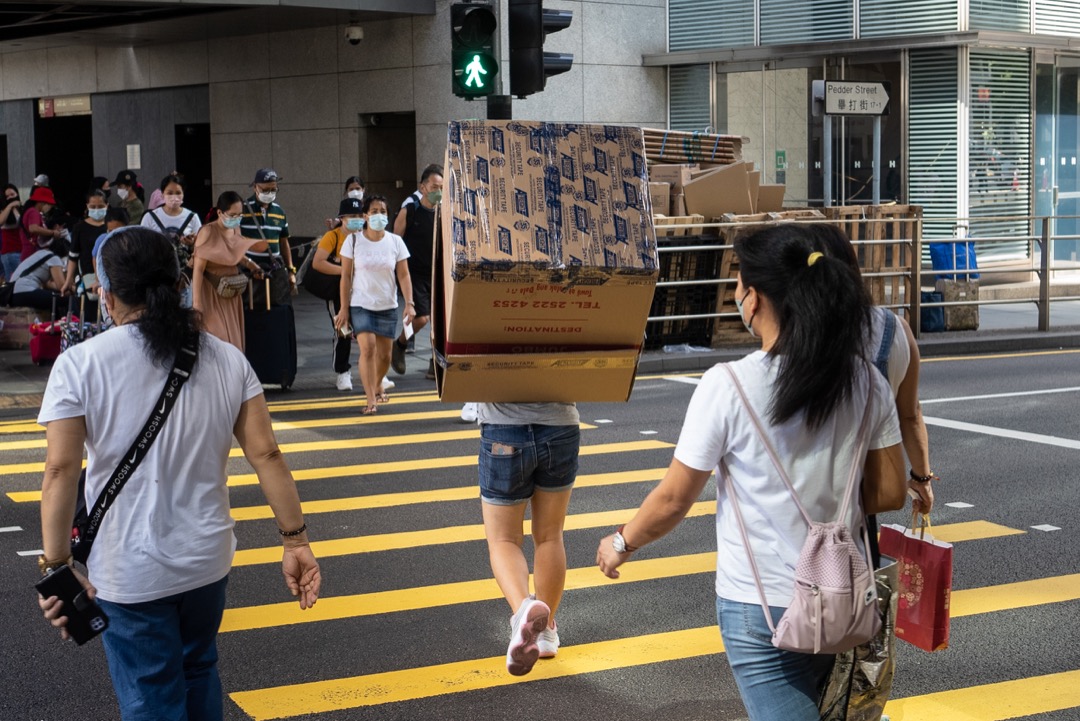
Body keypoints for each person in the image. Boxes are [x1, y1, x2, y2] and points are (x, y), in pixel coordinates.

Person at [596, 224, 907, 721]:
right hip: (840, 596)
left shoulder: (728, 385)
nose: (736, 293)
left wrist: (621, 543)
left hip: (757, 607)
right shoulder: (865, 380)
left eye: (739, 282)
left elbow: (675, 497)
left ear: (756, 297)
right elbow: (891, 490)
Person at [36, 227, 321, 721]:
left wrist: (57, 565)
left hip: (130, 570)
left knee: (152, 696)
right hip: (206, 561)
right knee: (197, 669)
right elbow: (268, 456)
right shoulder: (228, 360)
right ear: (178, 283)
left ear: (107, 295)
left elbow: (61, 470)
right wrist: (295, 542)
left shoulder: (79, 365)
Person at [813, 225, 935, 557]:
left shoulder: (797, 333)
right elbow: (910, 415)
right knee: (859, 598)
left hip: (801, 512)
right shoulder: (896, 330)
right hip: (860, 508)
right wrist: (921, 477)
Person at [476, 402, 580, 676]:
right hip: (560, 427)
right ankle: (545, 632)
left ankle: (523, 610)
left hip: (503, 428)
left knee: (503, 539)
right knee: (549, 535)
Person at [333, 194, 414, 415]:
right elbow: (346, 277)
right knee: (367, 348)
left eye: (383, 212)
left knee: (385, 356)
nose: (379, 215)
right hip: (361, 304)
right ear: (366, 215)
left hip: (387, 305)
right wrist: (343, 308)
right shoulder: (354, 241)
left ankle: (377, 383)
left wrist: (409, 303)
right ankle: (371, 399)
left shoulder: (395, 241)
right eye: (375, 211)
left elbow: (404, 275)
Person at [191, 191, 264, 351]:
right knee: (217, 337)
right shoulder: (207, 231)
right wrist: (197, 304)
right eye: (232, 214)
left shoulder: (236, 229)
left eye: (239, 214)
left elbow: (237, 253)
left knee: (233, 339)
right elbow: (198, 269)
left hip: (231, 292)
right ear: (219, 212)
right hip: (211, 292)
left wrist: (252, 265)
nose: (236, 218)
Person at [391, 164, 443, 380]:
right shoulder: (410, 211)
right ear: (423, 187)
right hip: (414, 274)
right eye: (433, 186)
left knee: (441, 322)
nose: (438, 191)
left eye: (441, 187)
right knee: (421, 319)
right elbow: (394, 242)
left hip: (438, 273)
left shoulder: (445, 213)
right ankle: (401, 344)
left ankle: (436, 363)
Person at [313, 197, 364, 391]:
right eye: (352, 216)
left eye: (360, 215)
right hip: (338, 292)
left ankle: (375, 371)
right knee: (343, 331)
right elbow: (318, 262)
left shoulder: (366, 235)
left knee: (367, 331)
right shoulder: (333, 237)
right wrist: (344, 270)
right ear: (342, 218)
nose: (357, 219)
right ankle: (342, 372)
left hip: (363, 291)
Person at [141, 174, 202, 307]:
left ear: (183, 194)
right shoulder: (150, 217)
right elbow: (142, 247)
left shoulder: (192, 217)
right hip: (158, 278)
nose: (174, 197)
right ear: (162, 194)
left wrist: (192, 245)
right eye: (169, 193)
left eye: (178, 193)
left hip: (184, 278)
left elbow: (201, 249)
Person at [241, 168, 296, 291]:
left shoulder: (279, 212)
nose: (269, 193)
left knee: (277, 306)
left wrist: (291, 270)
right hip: (249, 270)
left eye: (273, 189)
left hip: (274, 270)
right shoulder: (242, 209)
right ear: (255, 187)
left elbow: (284, 242)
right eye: (265, 190)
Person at [61, 189, 109, 316]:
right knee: (89, 315)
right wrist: (68, 281)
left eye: (100, 206)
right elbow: (73, 257)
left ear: (107, 205)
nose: (97, 209)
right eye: (93, 207)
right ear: (87, 206)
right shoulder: (80, 227)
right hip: (87, 278)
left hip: (109, 277)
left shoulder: (110, 226)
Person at [9, 239, 66, 311]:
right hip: (25, 291)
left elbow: (47, 284)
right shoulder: (54, 258)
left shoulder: (40, 253)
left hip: (14, 294)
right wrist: (76, 289)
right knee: (67, 300)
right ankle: (74, 321)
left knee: (51, 298)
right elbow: (62, 287)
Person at [20, 186, 63, 261]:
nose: (50, 207)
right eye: (49, 204)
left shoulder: (31, 211)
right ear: (42, 202)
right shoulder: (34, 212)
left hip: (30, 253)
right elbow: (33, 228)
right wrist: (53, 232)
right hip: (32, 254)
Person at [0, 184, 22, 280]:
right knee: (13, 281)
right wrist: (9, 206)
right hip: (10, 252)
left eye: (12, 194)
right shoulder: (3, 211)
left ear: (17, 194)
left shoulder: (20, 209)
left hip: (22, 250)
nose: (10, 198)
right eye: (7, 196)